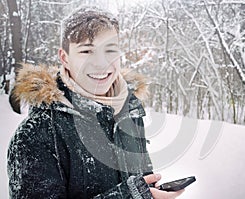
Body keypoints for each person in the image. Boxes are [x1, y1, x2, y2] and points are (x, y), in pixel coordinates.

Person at [7, 6, 184, 199]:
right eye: (86, 51)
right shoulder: (36, 134)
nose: (101, 63)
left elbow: (141, 182)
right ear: (64, 58)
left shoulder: (130, 112)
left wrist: (150, 192)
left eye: (110, 50)